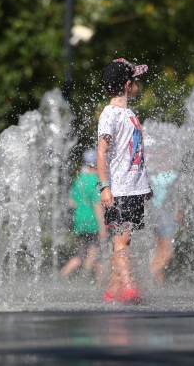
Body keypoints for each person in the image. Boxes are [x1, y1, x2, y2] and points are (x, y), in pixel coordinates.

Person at [97, 58, 152, 304]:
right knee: (123, 237)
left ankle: (111, 291)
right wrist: (104, 186)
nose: (138, 85)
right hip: (119, 188)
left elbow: (135, 152)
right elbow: (102, 151)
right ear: (128, 85)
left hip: (133, 187)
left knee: (125, 237)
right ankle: (129, 288)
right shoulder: (110, 114)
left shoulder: (128, 113)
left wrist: (144, 184)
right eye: (136, 81)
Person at [60, 149, 107, 279]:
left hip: (79, 221)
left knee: (82, 254)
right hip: (93, 222)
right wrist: (103, 227)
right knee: (100, 256)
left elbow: (72, 202)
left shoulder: (79, 180)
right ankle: (97, 283)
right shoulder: (97, 181)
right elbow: (98, 206)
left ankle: (63, 275)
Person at [148, 168, 178, 286]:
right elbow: (178, 196)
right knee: (167, 251)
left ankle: (158, 286)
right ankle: (148, 276)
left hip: (150, 215)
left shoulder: (150, 172)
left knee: (158, 251)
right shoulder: (174, 175)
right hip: (166, 215)